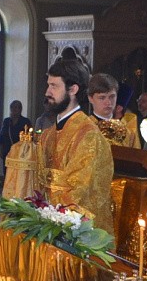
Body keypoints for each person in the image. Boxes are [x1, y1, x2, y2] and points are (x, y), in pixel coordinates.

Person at [37, 56, 114, 233]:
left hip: (78, 233)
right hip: (49, 223)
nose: (47, 92)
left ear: (73, 89)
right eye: (48, 85)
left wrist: (50, 214)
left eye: (54, 86)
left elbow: (79, 191)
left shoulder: (88, 135)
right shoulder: (47, 135)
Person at [89, 72, 140, 149]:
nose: (108, 102)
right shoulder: (84, 128)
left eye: (112, 97)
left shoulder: (128, 132)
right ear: (91, 98)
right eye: (102, 98)